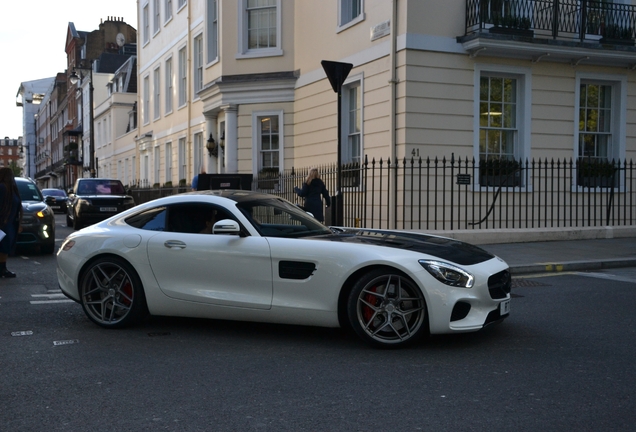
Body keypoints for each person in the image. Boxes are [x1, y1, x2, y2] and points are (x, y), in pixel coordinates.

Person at [0, 168, 23, 278]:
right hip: (3, 223)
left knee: (6, 247)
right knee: (3, 246)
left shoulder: (11, 189)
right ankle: (2, 269)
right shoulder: (2, 188)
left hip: (10, 222)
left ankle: (3, 269)